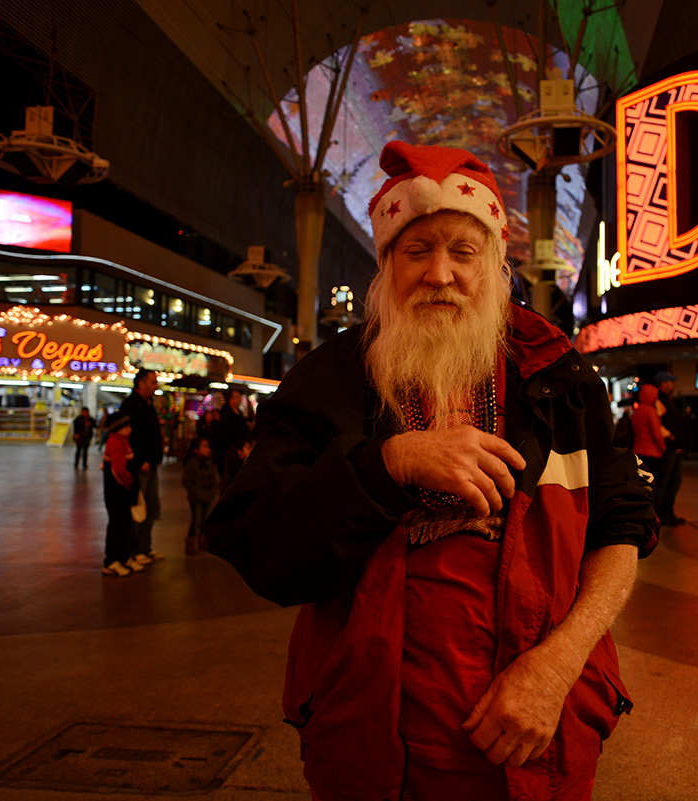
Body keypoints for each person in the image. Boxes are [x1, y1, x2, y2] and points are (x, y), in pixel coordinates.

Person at [204, 141, 658, 801]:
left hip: (540, 739)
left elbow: (622, 528)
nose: (440, 274)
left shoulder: (561, 379)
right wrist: (388, 461)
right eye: (417, 250)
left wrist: (557, 668)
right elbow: (256, 541)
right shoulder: (330, 378)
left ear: (499, 264)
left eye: (463, 251)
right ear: (386, 264)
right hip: (372, 747)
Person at [119, 369, 165, 564]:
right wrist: (140, 461)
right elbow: (128, 437)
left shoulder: (148, 404)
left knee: (152, 507)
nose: (156, 386)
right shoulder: (131, 405)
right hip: (141, 466)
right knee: (139, 508)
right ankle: (134, 550)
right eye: (153, 382)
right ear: (142, 383)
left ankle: (145, 547)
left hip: (151, 464)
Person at [100, 413, 141, 576]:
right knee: (117, 525)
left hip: (123, 494)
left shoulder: (123, 442)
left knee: (124, 525)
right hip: (117, 493)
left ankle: (124, 558)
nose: (130, 429)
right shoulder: (115, 442)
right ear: (118, 428)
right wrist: (129, 482)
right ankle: (111, 561)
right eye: (127, 426)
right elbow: (118, 470)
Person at [651, 370, 686, 525]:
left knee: (672, 481)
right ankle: (663, 513)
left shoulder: (666, 400)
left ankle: (666, 512)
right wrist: (670, 436)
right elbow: (657, 424)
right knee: (667, 481)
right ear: (663, 383)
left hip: (673, 448)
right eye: (670, 381)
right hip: (669, 449)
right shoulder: (660, 401)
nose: (672, 384)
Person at [182, 436, 221, 554]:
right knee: (196, 520)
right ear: (196, 450)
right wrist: (194, 491)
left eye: (208, 446)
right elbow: (186, 480)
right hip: (196, 498)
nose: (207, 449)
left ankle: (203, 543)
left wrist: (212, 490)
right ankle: (190, 544)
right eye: (204, 447)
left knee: (205, 520)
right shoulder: (192, 463)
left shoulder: (209, 462)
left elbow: (213, 478)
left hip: (207, 496)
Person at [211, 389, 255, 483]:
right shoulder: (227, 415)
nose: (239, 399)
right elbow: (224, 435)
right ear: (230, 400)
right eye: (237, 397)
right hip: (231, 454)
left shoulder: (239, 414)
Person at [630, 383, 666, 494]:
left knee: (643, 485)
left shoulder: (637, 411)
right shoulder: (650, 411)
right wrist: (663, 448)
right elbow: (656, 433)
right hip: (652, 453)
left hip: (638, 451)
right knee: (655, 485)